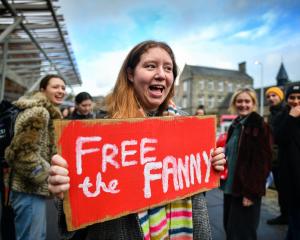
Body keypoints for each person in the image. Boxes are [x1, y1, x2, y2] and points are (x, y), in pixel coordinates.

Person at [48, 40, 226, 240]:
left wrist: (210, 165)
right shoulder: (100, 130)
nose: (161, 74)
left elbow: (194, 189)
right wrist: (63, 191)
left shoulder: (187, 125)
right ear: (130, 74)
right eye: (150, 66)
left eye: (168, 68)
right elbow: (81, 202)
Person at [5, 74, 66, 240]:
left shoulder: (45, 111)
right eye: (55, 87)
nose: (61, 91)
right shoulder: (39, 112)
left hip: (28, 189)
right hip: (27, 190)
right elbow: (22, 154)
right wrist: (49, 176)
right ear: (42, 90)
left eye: (63, 87)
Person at [220, 88, 272, 240]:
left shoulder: (260, 126)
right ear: (234, 103)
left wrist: (251, 193)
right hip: (231, 188)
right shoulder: (234, 125)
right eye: (239, 101)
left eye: (247, 101)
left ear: (254, 104)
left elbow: (263, 163)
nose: (243, 104)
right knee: (230, 230)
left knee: (243, 234)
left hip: (247, 190)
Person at [274, 84, 300, 240]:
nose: (296, 101)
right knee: (295, 216)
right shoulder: (282, 117)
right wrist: (291, 117)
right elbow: (279, 138)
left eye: (299, 98)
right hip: (290, 176)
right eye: (292, 97)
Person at [265, 86, 288, 225]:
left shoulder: (286, 112)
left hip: (285, 158)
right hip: (275, 159)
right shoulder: (272, 114)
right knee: (281, 189)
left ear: (281, 97)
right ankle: (284, 215)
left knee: (287, 189)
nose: (271, 98)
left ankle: (290, 216)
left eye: (274, 95)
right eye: (268, 96)